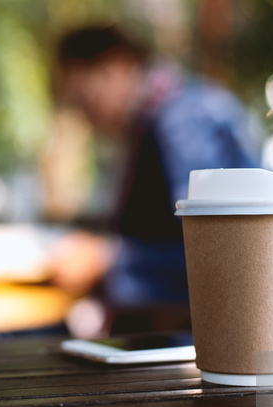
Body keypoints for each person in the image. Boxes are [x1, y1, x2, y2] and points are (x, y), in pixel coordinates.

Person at [51, 25, 260, 316]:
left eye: (83, 100)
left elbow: (219, 256)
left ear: (114, 68)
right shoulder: (156, 120)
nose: (85, 117)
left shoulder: (181, 121)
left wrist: (109, 260)